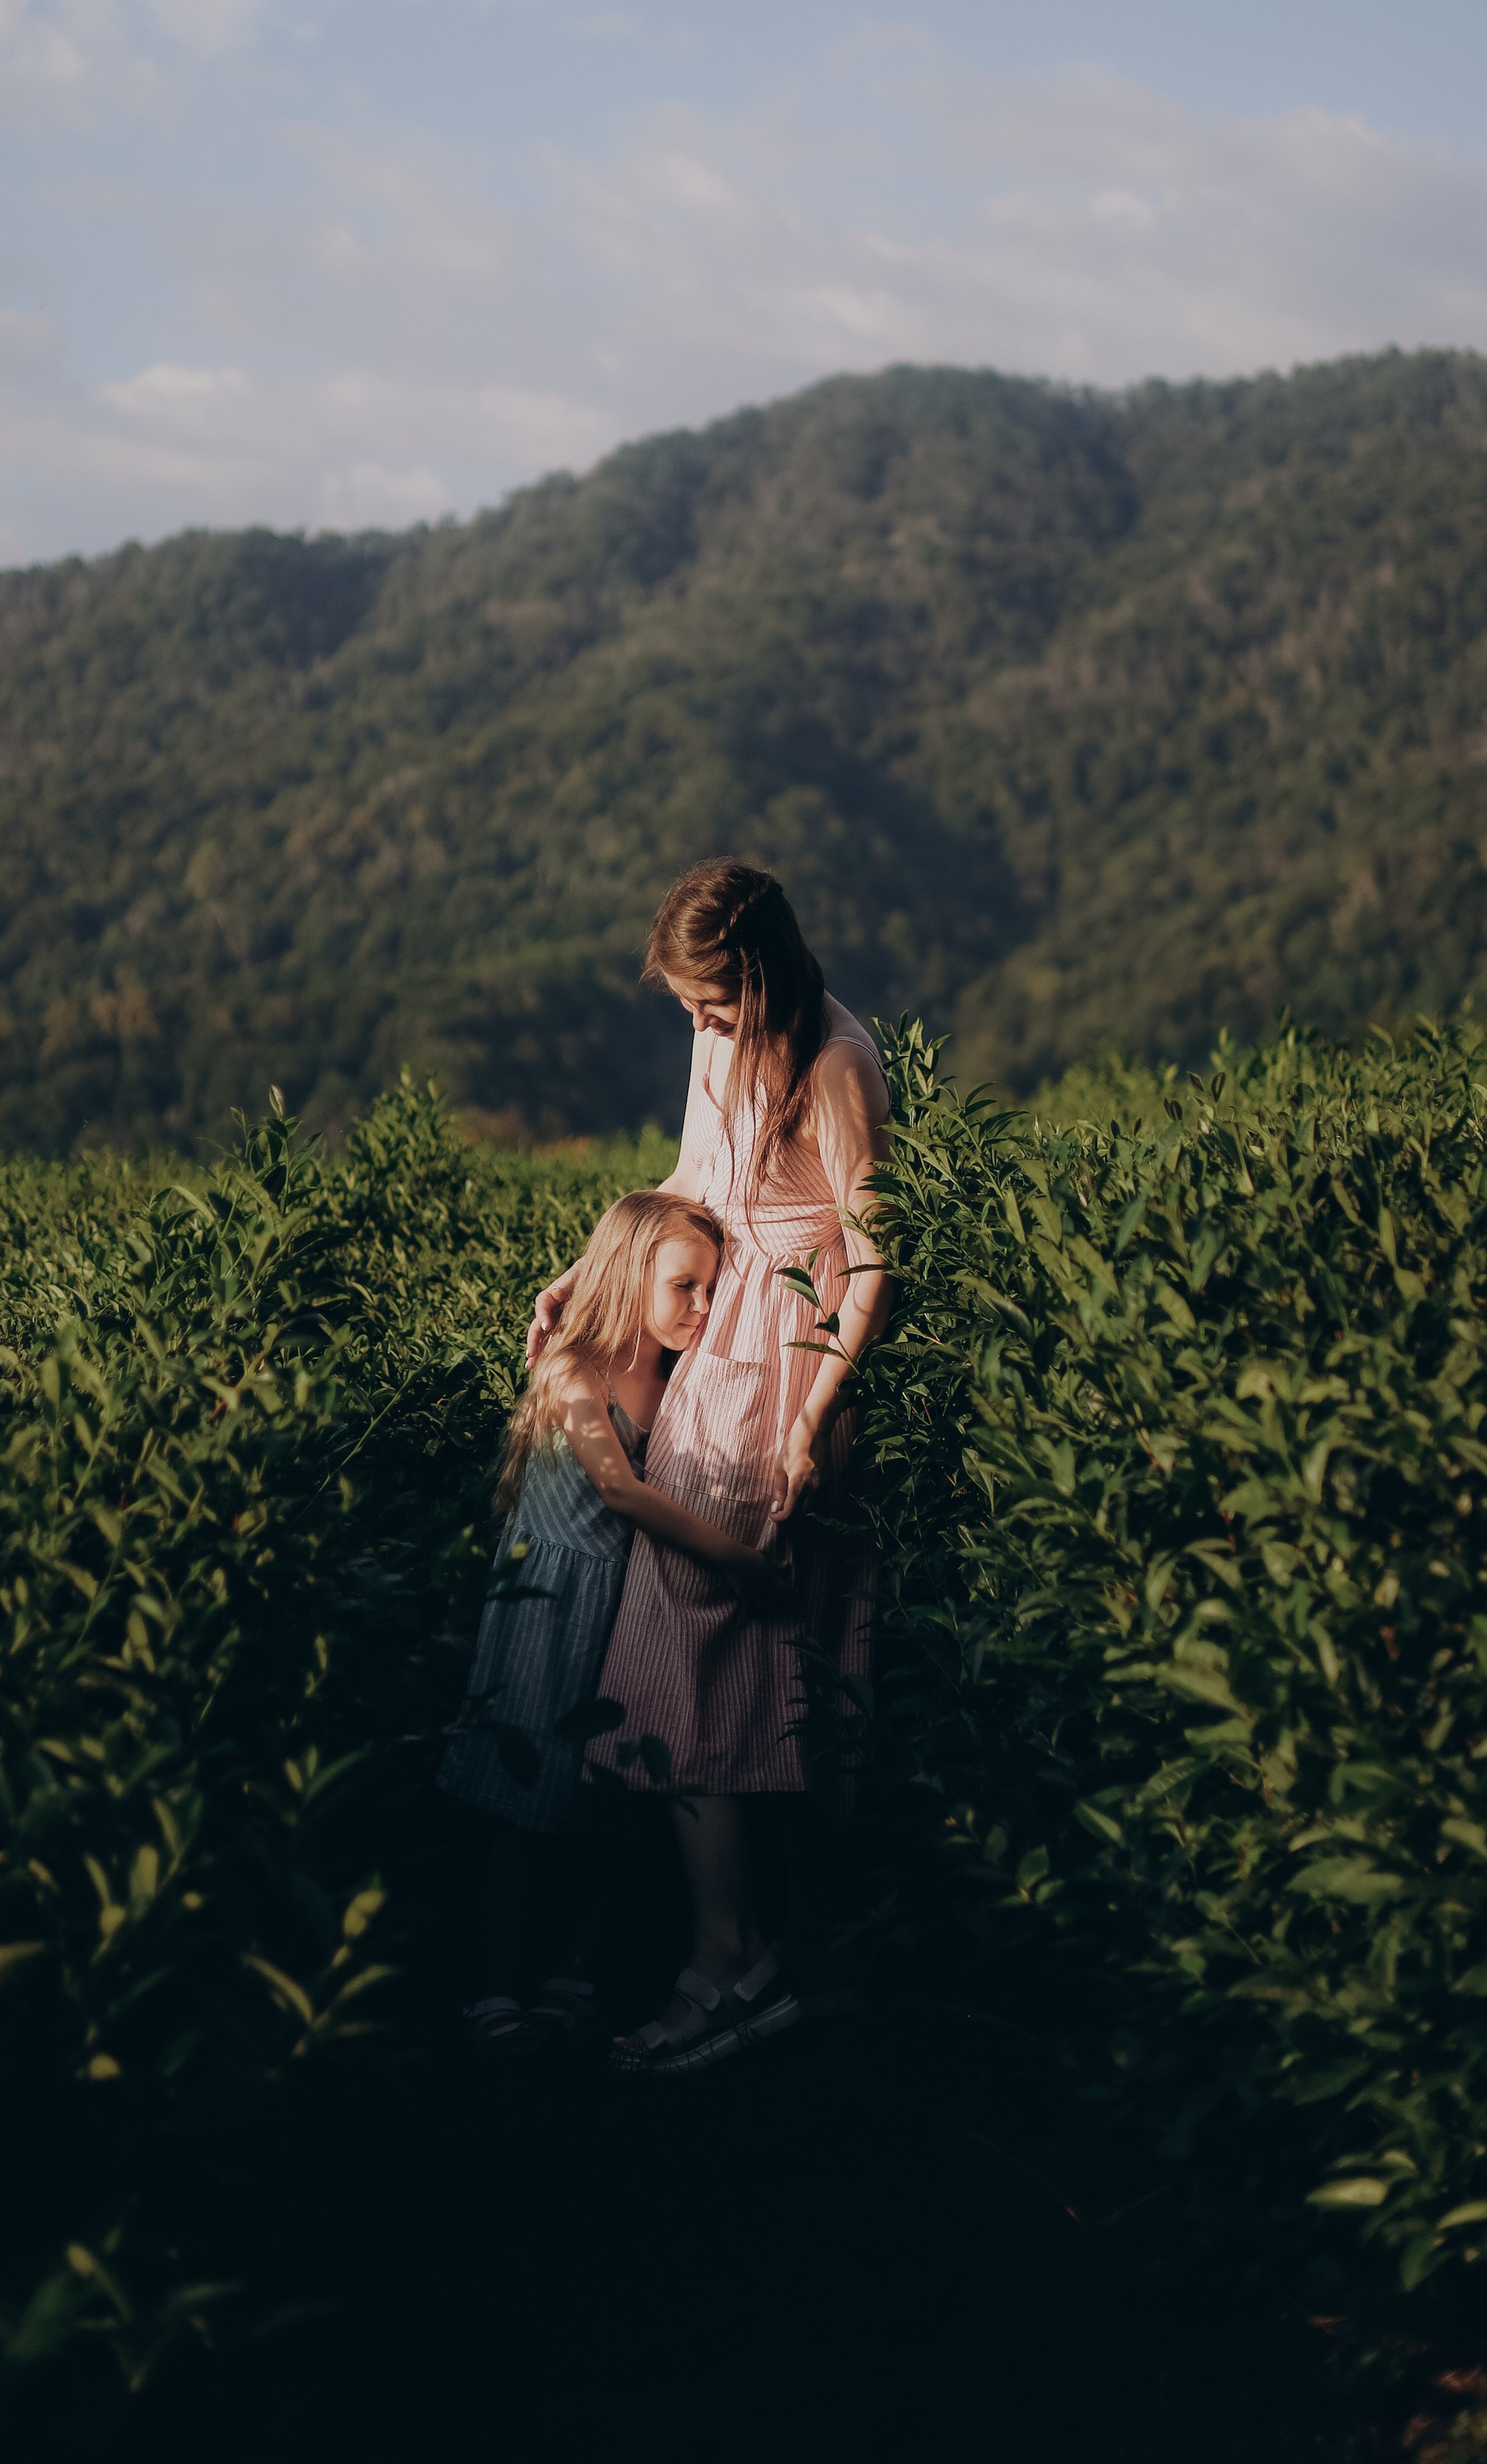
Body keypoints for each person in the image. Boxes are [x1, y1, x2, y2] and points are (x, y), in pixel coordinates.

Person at [525, 859, 892, 2076]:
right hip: (716, 1344)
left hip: (779, 1360)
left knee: (694, 1658)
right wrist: (593, 1272)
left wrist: (814, 1413)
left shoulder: (839, 1065)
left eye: (712, 1006)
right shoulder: (722, 1041)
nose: (698, 1028)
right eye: (688, 1008)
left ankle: (735, 1965)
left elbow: (877, 1256)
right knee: (693, 1661)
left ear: (763, 971)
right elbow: (692, 1181)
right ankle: (748, 1957)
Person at [441, 1188, 776, 2051]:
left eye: (710, 1290)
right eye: (682, 1288)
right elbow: (617, 1490)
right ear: (628, 1275)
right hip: (550, 1607)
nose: (700, 1310)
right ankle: (492, 1989)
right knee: (525, 1803)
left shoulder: (670, 1375)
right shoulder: (571, 1370)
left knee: (614, 1804)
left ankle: (575, 1974)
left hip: (622, 1607)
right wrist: (737, 1561)